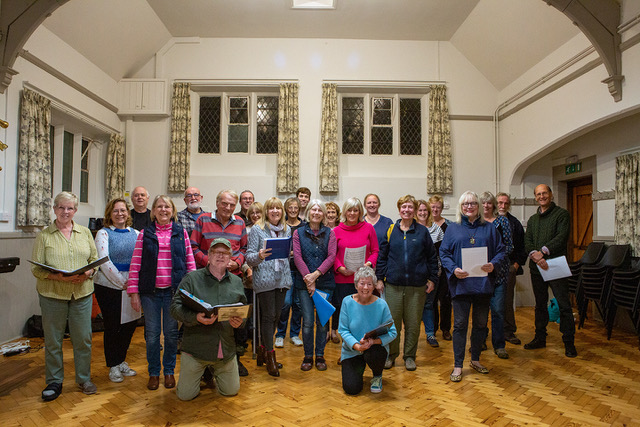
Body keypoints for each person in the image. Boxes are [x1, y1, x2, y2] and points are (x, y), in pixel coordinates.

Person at [31, 192, 99, 401]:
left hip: (82, 294)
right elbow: (36, 269)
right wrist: (58, 277)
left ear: (75, 211)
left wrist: (88, 273)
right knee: (53, 341)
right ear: (54, 209)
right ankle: (54, 381)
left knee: (83, 339)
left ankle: (83, 379)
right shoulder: (45, 235)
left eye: (70, 208)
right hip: (52, 295)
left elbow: (94, 260)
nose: (65, 212)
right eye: (61, 207)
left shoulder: (85, 232)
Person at [127, 195, 196, 390]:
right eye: (159, 206)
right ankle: (154, 372)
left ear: (172, 210)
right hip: (150, 293)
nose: (163, 210)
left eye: (167, 206)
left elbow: (190, 262)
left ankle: (168, 371)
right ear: (154, 211)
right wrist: (134, 292)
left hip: (174, 293)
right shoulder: (144, 234)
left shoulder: (181, 233)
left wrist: (191, 290)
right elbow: (136, 264)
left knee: (172, 334)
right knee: (152, 335)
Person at [440, 191, 507, 382]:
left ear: (479, 206)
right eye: (465, 204)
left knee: (480, 324)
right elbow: (444, 253)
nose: (469, 207)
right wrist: (454, 269)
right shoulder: (453, 229)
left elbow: (501, 251)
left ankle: (476, 359)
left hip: (482, 285)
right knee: (460, 325)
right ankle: (458, 365)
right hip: (460, 285)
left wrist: (493, 264)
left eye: (473, 204)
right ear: (460, 208)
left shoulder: (490, 228)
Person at [170, 238, 247, 401]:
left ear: (230, 258)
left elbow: (244, 312)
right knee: (185, 396)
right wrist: (195, 317)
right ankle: (203, 370)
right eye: (216, 252)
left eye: (225, 253)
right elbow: (174, 308)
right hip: (196, 349)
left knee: (231, 391)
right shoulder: (191, 279)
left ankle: (213, 371)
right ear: (209, 256)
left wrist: (240, 322)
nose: (220, 256)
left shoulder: (237, 282)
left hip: (224, 349)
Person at [189, 189, 250, 376]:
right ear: (217, 203)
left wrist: (237, 262)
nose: (228, 208)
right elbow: (193, 246)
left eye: (232, 205)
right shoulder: (203, 220)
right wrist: (208, 261)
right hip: (207, 279)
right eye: (225, 203)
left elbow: (244, 248)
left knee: (235, 322)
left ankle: (235, 360)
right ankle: (207, 364)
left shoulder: (240, 222)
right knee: (210, 320)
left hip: (233, 279)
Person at [376, 195, 438, 371]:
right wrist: (379, 278)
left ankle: (410, 356)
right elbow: (382, 257)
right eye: (404, 207)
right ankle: (391, 355)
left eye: (410, 207)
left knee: (412, 324)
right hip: (393, 285)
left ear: (415, 210)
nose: (407, 210)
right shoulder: (391, 230)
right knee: (392, 324)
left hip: (417, 286)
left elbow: (432, 257)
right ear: (399, 209)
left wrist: (432, 279)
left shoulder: (422, 232)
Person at [524, 184, 577, 357]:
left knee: (564, 305)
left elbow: (561, 237)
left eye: (544, 193)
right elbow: (528, 241)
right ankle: (540, 337)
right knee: (540, 305)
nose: (541, 196)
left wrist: (543, 253)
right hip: (536, 268)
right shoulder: (532, 220)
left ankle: (569, 342)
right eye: (538, 194)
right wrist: (535, 256)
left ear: (551, 194)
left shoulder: (562, 214)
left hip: (555, 266)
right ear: (535, 197)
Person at [94, 198, 139, 383]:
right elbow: (104, 260)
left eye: (123, 210)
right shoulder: (103, 234)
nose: (120, 214)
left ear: (128, 213)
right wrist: (122, 282)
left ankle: (121, 360)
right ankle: (113, 365)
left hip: (132, 286)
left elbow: (140, 258)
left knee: (129, 326)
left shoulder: (136, 233)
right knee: (113, 326)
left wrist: (133, 282)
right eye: (116, 211)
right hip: (109, 286)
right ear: (109, 214)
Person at [246, 197, 292, 377]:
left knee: (277, 317)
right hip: (264, 279)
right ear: (267, 211)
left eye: (278, 209)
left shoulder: (287, 229)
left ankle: (263, 350)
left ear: (282, 211)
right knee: (268, 316)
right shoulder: (258, 229)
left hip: (282, 279)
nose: (275, 211)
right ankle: (271, 357)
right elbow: (249, 257)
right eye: (271, 208)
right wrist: (259, 255)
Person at [292, 200, 337, 371]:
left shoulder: (330, 233)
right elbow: (297, 258)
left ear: (323, 214)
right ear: (309, 212)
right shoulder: (298, 233)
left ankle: (320, 355)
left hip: (325, 283)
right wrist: (308, 280)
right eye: (314, 209)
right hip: (303, 285)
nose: (316, 212)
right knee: (308, 322)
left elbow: (331, 257)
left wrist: (315, 275)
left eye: (320, 210)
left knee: (323, 323)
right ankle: (308, 356)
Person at [339, 266, 397, 395]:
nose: (365, 287)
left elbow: (393, 332)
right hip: (352, 351)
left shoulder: (382, 304)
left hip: (374, 350)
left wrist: (373, 342)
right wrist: (356, 346)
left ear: (374, 286)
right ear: (356, 285)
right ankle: (359, 367)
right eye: (362, 283)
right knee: (351, 389)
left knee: (374, 353)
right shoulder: (347, 302)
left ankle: (377, 376)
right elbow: (343, 330)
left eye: (369, 284)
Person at [331, 197, 379, 352]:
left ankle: (363, 346)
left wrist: (369, 264)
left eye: (355, 210)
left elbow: (375, 251)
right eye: (349, 210)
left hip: (363, 281)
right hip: (342, 279)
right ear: (345, 211)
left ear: (360, 212)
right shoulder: (336, 230)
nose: (352, 213)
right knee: (346, 317)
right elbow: (333, 254)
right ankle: (347, 350)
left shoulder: (368, 228)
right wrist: (340, 268)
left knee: (362, 315)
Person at [480, 191, 513, 359]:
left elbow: (509, 246)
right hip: (479, 275)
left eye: (489, 203)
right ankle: (480, 342)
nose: (486, 206)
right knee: (481, 311)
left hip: (498, 273)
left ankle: (499, 345)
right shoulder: (476, 222)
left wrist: (493, 260)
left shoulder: (502, 221)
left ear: (493, 205)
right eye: (483, 203)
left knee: (498, 310)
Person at [497, 192, 527, 345]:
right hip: (489, 267)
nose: (502, 206)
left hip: (508, 267)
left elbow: (522, 246)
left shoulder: (514, 223)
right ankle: (486, 334)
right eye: (500, 203)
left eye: (505, 203)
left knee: (507, 301)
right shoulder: (488, 221)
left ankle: (508, 331)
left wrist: (516, 265)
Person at [275, 197, 304, 348]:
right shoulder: (280, 225)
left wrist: (296, 253)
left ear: (299, 209)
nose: (293, 210)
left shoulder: (304, 226)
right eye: (290, 208)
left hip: (300, 271)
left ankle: (294, 334)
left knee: (298, 304)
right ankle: (280, 334)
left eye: (295, 208)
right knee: (285, 303)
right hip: (284, 270)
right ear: (286, 209)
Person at [416, 199, 445, 348]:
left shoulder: (436, 229)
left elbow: (439, 255)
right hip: (414, 275)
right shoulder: (411, 228)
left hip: (432, 275)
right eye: (419, 210)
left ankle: (430, 334)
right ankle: (412, 335)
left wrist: (433, 276)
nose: (422, 213)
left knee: (428, 305)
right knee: (413, 307)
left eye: (424, 210)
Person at [430, 194, 453, 341]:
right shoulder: (424, 225)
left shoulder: (449, 225)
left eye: (438, 207)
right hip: (431, 268)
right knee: (431, 300)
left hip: (445, 268)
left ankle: (446, 329)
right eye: (432, 207)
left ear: (442, 208)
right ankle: (432, 329)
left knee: (445, 299)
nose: (435, 209)